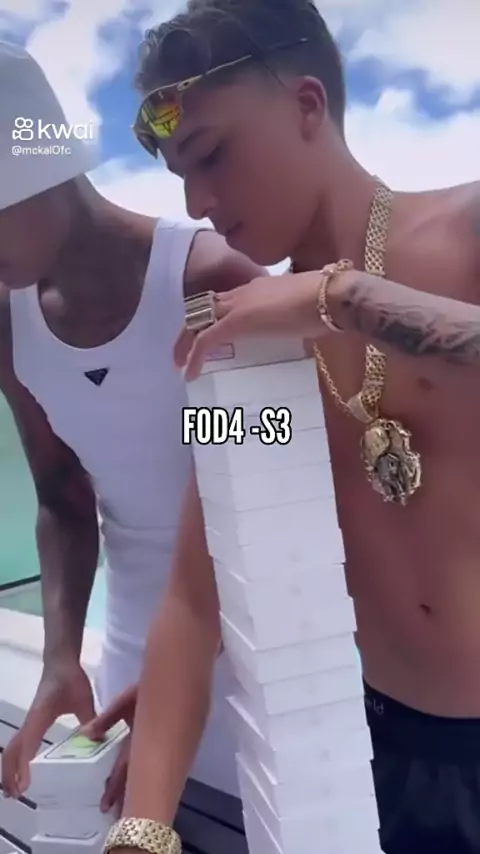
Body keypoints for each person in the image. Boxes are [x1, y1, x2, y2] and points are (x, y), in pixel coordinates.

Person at [92, 3, 480, 854]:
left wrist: (340, 297)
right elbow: (197, 595)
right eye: (178, 176)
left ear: (308, 104)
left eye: (212, 154)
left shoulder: (465, 235)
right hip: (384, 761)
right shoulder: (246, 349)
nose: (198, 202)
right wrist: (143, 828)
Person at [0, 40, 264, 809]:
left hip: (257, 655)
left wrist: (181, 671)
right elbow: (61, 494)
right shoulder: (10, 321)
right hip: (128, 656)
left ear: (39, 173)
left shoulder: (209, 278)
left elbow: (282, 473)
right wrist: (60, 655)